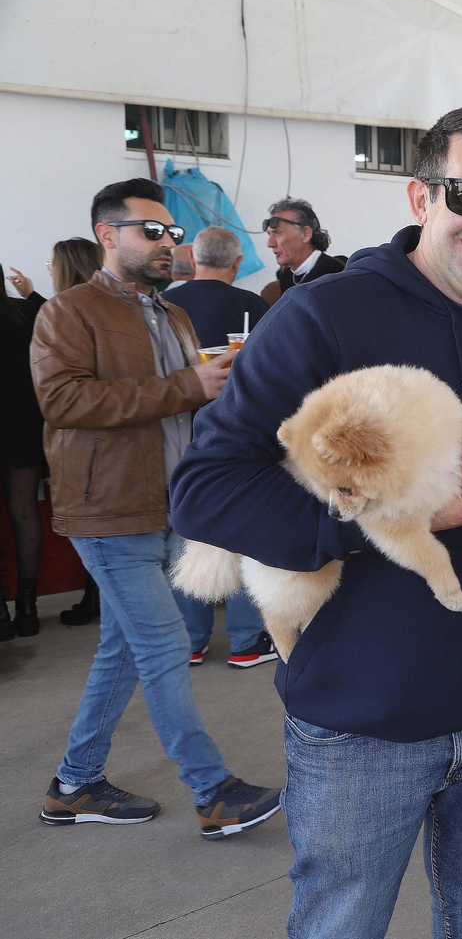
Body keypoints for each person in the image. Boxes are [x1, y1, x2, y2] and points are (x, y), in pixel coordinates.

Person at [169, 102, 462, 939]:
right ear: (421, 197)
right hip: (362, 716)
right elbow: (206, 491)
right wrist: (390, 513)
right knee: (341, 924)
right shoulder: (327, 315)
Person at [30, 178, 281, 837]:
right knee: (166, 643)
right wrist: (183, 385)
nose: (169, 243)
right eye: (152, 230)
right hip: (108, 513)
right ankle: (213, 790)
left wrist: (223, 377)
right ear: (107, 235)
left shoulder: (171, 315)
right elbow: (63, 401)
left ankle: (74, 781)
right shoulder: (69, 312)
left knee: (122, 647)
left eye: (173, 233)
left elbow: (180, 402)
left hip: (167, 507)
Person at [161, 227, 275, 667]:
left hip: (176, 438)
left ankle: (191, 638)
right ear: (237, 263)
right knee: (246, 531)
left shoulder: (165, 307)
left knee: (184, 532)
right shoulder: (253, 307)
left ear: (191, 256)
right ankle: (247, 641)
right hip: (242, 438)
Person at [45, 238, 106, 626]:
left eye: (51, 264)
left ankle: (92, 599)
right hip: (100, 469)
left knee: (159, 638)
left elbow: (64, 400)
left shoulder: (60, 315)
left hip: (88, 467)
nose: (48, 269)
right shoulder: (68, 314)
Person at [2, 263, 48, 640]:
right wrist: (30, 291)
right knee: (25, 512)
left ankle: (0, 616)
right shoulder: (20, 314)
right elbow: (54, 316)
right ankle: (29, 610)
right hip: (23, 427)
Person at [259, 198, 345, 306]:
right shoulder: (287, 276)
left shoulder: (335, 273)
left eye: (277, 233)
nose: (270, 243)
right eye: (269, 234)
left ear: (305, 234)